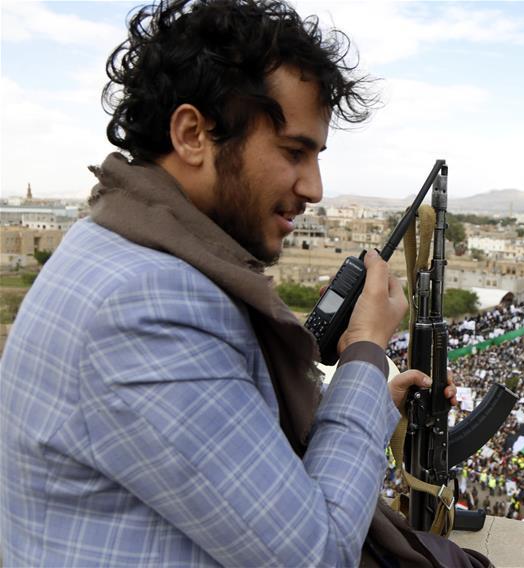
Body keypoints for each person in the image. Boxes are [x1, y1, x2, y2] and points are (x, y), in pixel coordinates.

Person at [0, 1, 462, 566]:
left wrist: (367, 403)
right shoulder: (147, 305)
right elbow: (316, 555)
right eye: (294, 152)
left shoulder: (123, 247)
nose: (315, 187)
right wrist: (364, 349)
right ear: (193, 134)